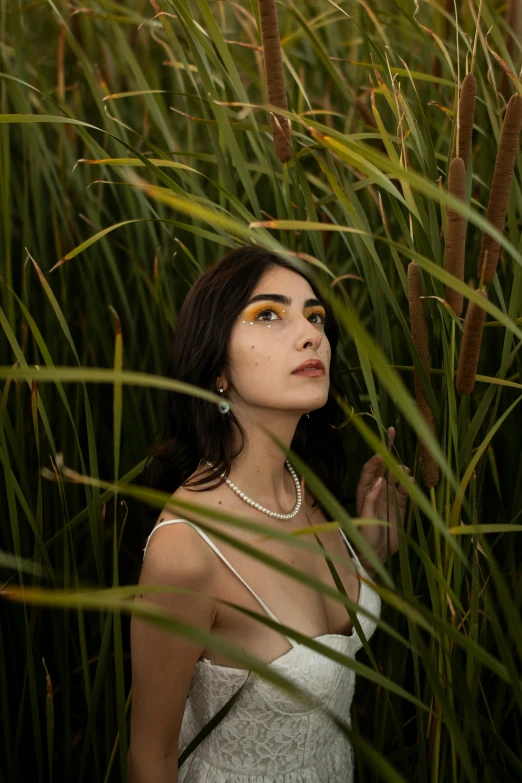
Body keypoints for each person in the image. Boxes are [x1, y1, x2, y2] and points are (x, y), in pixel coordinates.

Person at [128, 246, 412, 782]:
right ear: (216, 368)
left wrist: (369, 553)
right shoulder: (186, 554)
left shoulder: (307, 492)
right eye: (268, 314)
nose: (310, 335)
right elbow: (151, 757)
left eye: (315, 316)